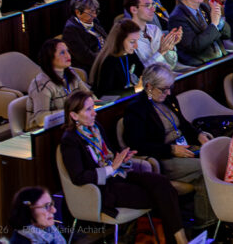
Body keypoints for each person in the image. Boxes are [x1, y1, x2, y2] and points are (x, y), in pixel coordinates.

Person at [61, 91, 189, 243]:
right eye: (88, 110)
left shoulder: (96, 128)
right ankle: (180, 240)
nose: (94, 113)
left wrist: (123, 160)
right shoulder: (70, 141)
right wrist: (111, 168)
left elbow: (110, 155)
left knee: (160, 182)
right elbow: (79, 177)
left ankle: (178, 240)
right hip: (103, 188)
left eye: (93, 107)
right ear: (74, 116)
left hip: (120, 174)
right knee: (165, 195)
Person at [123, 63, 214, 224]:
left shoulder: (168, 99)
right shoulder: (136, 109)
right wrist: (171, 150)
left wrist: (198, 134)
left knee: (216, 158)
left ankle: (208, 218)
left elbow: (183, 124)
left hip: (184, 148)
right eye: (164, 89)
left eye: (170, 87)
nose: (169, 92)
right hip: (163, 157)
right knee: (206, 168)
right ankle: (205, 221)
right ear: (149, 86)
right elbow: (137, 145)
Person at [26, 38, 93, 130]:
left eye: (67, 51)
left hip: (71, 123)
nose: (68, 55)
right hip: (44, 132)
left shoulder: (71, 73)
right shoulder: (41, 84)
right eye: (62, 53)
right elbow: (41, 118)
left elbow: (88, 95)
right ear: (50, 57)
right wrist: (73, 111)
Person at [169, 0, 230, 66]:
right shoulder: (177, 18)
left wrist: (219, 19)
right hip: (201, 66)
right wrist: (214, 23)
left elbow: (228, 34)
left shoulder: (205, 7)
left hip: (221, 58)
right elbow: (195, 47)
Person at [89, 19, 142, 98]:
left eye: (137, 41)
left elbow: (143, 72)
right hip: (108, 107)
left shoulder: (129, 53)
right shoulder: (108, 61)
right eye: (132, 42)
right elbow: (105, 96)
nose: (136, 46)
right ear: (120, 41)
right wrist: (135, 89)